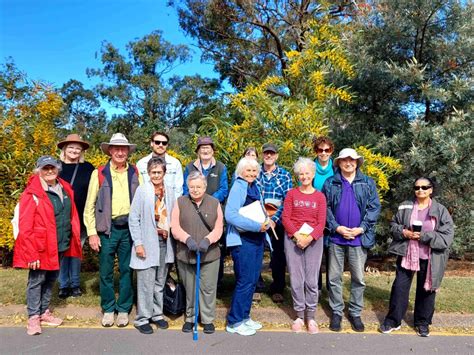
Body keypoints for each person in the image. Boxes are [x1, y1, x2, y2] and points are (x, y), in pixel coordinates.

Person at [13, 156, 82, 335]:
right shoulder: (32, 193)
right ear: (39, 171)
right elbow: (25, 225)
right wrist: (31, 253)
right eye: (45, 169)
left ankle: (44, 311)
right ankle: (33, 317)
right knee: (36, 280)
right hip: (40, 246)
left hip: (58, 243)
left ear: (58, 169)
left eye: (52, 168)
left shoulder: (64, 188)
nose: (50, 171)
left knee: (51, 278)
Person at [379, 177, 454, 337]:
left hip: (430, 256)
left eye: (424, 187)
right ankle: (393, 321)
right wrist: (404, 232)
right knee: (399, 288)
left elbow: (447, 236)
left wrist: (424, 236)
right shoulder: (405, 206)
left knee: (426, 290)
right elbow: (393, 225)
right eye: (417, 187)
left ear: (431, 190)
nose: (420, 190)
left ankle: (422, 322)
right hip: (407, 254)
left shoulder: (440, 210)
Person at [84, 133, 139, 328]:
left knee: (127, 270)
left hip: (129, 230)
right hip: (107, 230)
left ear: (127, 151)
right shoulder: (99, 173)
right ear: (109, 151)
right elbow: (89, 205)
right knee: (106, 272)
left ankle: (123, 309)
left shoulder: (135, 172)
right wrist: (91, 232)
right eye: (116, 148)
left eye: (123, 148)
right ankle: (108, 309)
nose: (120, 151)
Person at [322, 148, 381, 333]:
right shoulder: (330, 182)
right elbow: (325, 208)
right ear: (338, 163)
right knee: (333, 277)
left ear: (357, 162)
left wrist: (361, 228)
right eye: (344, 160)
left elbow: (374, 208)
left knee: (358, 278)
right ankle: (337, 312)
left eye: (352, 160)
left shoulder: (367, 182)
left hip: (358, 237)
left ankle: (355, 312)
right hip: (336, 237)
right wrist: (336, 227)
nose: (348, 163)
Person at [171, 171, 224, 334]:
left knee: (208, 288)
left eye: (198, 186)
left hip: (210, 254)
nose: (195, 190)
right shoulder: (180, 202)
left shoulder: (215, 203)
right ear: (188, 187)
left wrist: (208, 240)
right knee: (191, 288)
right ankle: (190, 317)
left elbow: (219, 227)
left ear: (205, 186)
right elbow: (175, 226)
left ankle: (207, 319)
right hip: (186, 253)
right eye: (192, 187)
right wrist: (187, 239)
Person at [129, 157, 177, 334]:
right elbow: (133, 218)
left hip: (165, 242)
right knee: (146, 282)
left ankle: (157, 314)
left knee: (160, 281)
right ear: (148, 173)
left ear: (164, 173)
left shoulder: (170, 191)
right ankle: (143, 318)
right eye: (153, 172)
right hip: (148, 242)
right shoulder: (142, 190)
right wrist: (138, 243)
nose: (156, 175)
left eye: (159, 172)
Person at [225, 157, 270, 336]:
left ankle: (244, 316)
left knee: (252, 281)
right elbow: (230, 215)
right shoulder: (238, 186)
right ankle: (234, 321)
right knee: (244, 281)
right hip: (243, 241)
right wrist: (256, 226)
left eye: (254, 171)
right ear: (240, 171)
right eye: (248, 170)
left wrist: (267, 221)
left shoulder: (254, 186)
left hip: (257, 240)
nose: (251, 173)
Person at [282, 158, 327, 334]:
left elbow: (321, 222)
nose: (304, 176)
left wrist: (309, 238)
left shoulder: (320, 197)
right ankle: (299, 315)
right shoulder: (291, 194)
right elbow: (285, 218)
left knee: (311, 279)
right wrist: (296, 236)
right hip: (293, 239)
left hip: (314, 241)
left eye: (307, 173)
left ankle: (311, 317)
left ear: (313, 174)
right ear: (298, 176)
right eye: (301, 173)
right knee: (296, 279)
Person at [57, 134, 94, 298]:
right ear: (64, 149)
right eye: (71, 147)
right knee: (63, 252)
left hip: (81, 217)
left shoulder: (88, 168)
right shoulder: (56, 167)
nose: (74, 150)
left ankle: (76, 284)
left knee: (77, 252)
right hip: (61, 218)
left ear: (81, 151)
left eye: (77, 148)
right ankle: (64, 284)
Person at [257, 143, 292, 303]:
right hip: (258, 219)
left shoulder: (284, 175)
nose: (269, 156)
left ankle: (278, 287)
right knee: (256, 253)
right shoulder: (255, 172)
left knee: (278, 255)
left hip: (277, 221)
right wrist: (262, 218)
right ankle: (256, 287)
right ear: (262, 155)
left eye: (272, 153)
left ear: (277, 156)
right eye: (266, 153)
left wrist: (274, 219)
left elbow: (287, 200)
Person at [313, 136, 335, 292]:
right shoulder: (310, 168)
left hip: (333, 214)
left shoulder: (337, 168)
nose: (323, 153)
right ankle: (317, 287)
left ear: (331, 151)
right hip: (314, 215)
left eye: (327, 150)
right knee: (316, 254)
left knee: (332, 253)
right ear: (316, 151)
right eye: (320, 150)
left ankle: (332, 287)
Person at [136, 131, 183, 201]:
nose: (161, 145)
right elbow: (139, 187)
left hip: (169, 204)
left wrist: (174, 206)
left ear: (167, 145)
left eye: (164, 143)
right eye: (157, 142)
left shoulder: (175, 163)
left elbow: (178, 188)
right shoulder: (141, 163)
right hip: (147, 204)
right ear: (152, 143)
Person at [182, 136, 228, 204]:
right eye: (203, 148)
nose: (205, 151)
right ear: (198, 151)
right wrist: (195, 201)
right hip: (193, 206)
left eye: (208, 148)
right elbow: (185, 188)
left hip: (214, 206)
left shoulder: (221, 167)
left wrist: (209, 201)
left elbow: (224, 189)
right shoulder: (189, 167)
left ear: (212, 151)